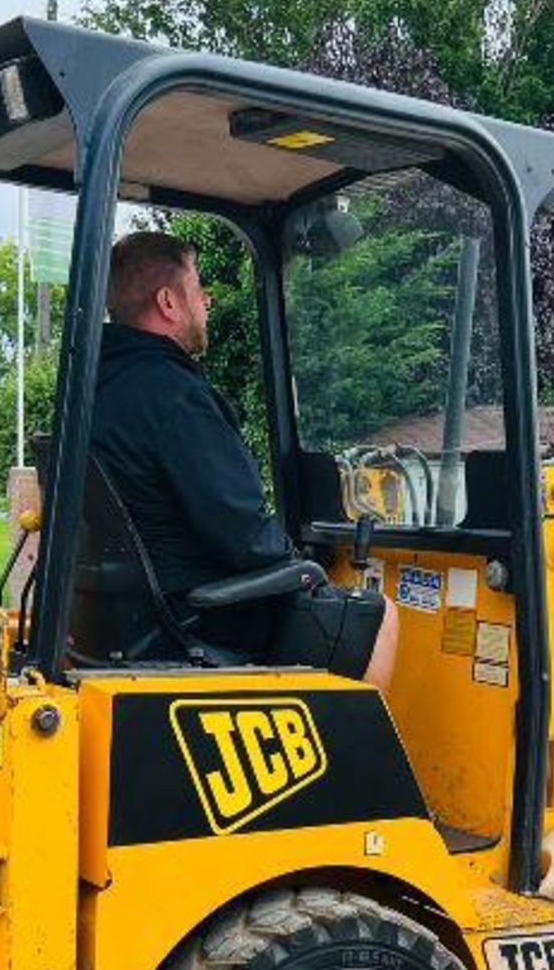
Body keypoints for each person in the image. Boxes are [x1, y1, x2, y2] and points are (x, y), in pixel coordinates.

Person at [90, 231, 398, 686]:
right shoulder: (176, 398)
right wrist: (299, 562)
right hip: (191, 618)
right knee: (375, 614)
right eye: (198, 290)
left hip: (121, 618)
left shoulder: (93, 390)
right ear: (169, 303)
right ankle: (347, 758)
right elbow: (241, 533)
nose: (206, 302)